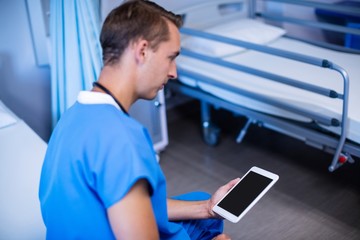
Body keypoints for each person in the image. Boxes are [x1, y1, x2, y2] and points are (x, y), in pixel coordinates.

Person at [39, 0, 238, 239]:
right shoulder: (122, 137)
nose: (174, 71)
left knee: (199, 201)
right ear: (142, 51)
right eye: (170, 57)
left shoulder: (74, 115)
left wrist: (207, 208)